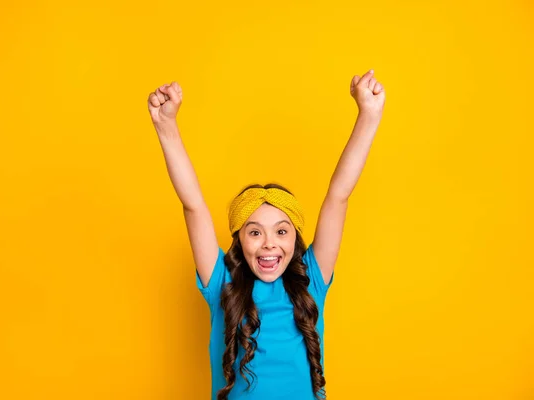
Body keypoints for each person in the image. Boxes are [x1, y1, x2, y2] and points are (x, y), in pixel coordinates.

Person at [147, 70, 385, 399]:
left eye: (282, 231)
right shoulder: (222, 285)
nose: (269, 243)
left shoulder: (311, 280)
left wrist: (368, 115)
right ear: (239, 241)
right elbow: (193, 205)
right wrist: (166, 125)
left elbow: (339, 194)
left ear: (295, 240)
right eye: (255, 232)